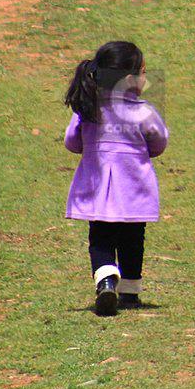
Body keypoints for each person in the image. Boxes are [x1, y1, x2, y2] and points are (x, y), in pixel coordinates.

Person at [63, 41, 168, 316]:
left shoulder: (87, 108)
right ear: (131, 78)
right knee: (133, 238)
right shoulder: (143, 111)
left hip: (98, 188)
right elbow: (159, 142)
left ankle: (106, 281)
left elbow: (72, 142)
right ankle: (130, 293)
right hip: (134, 187)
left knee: (100, 238)